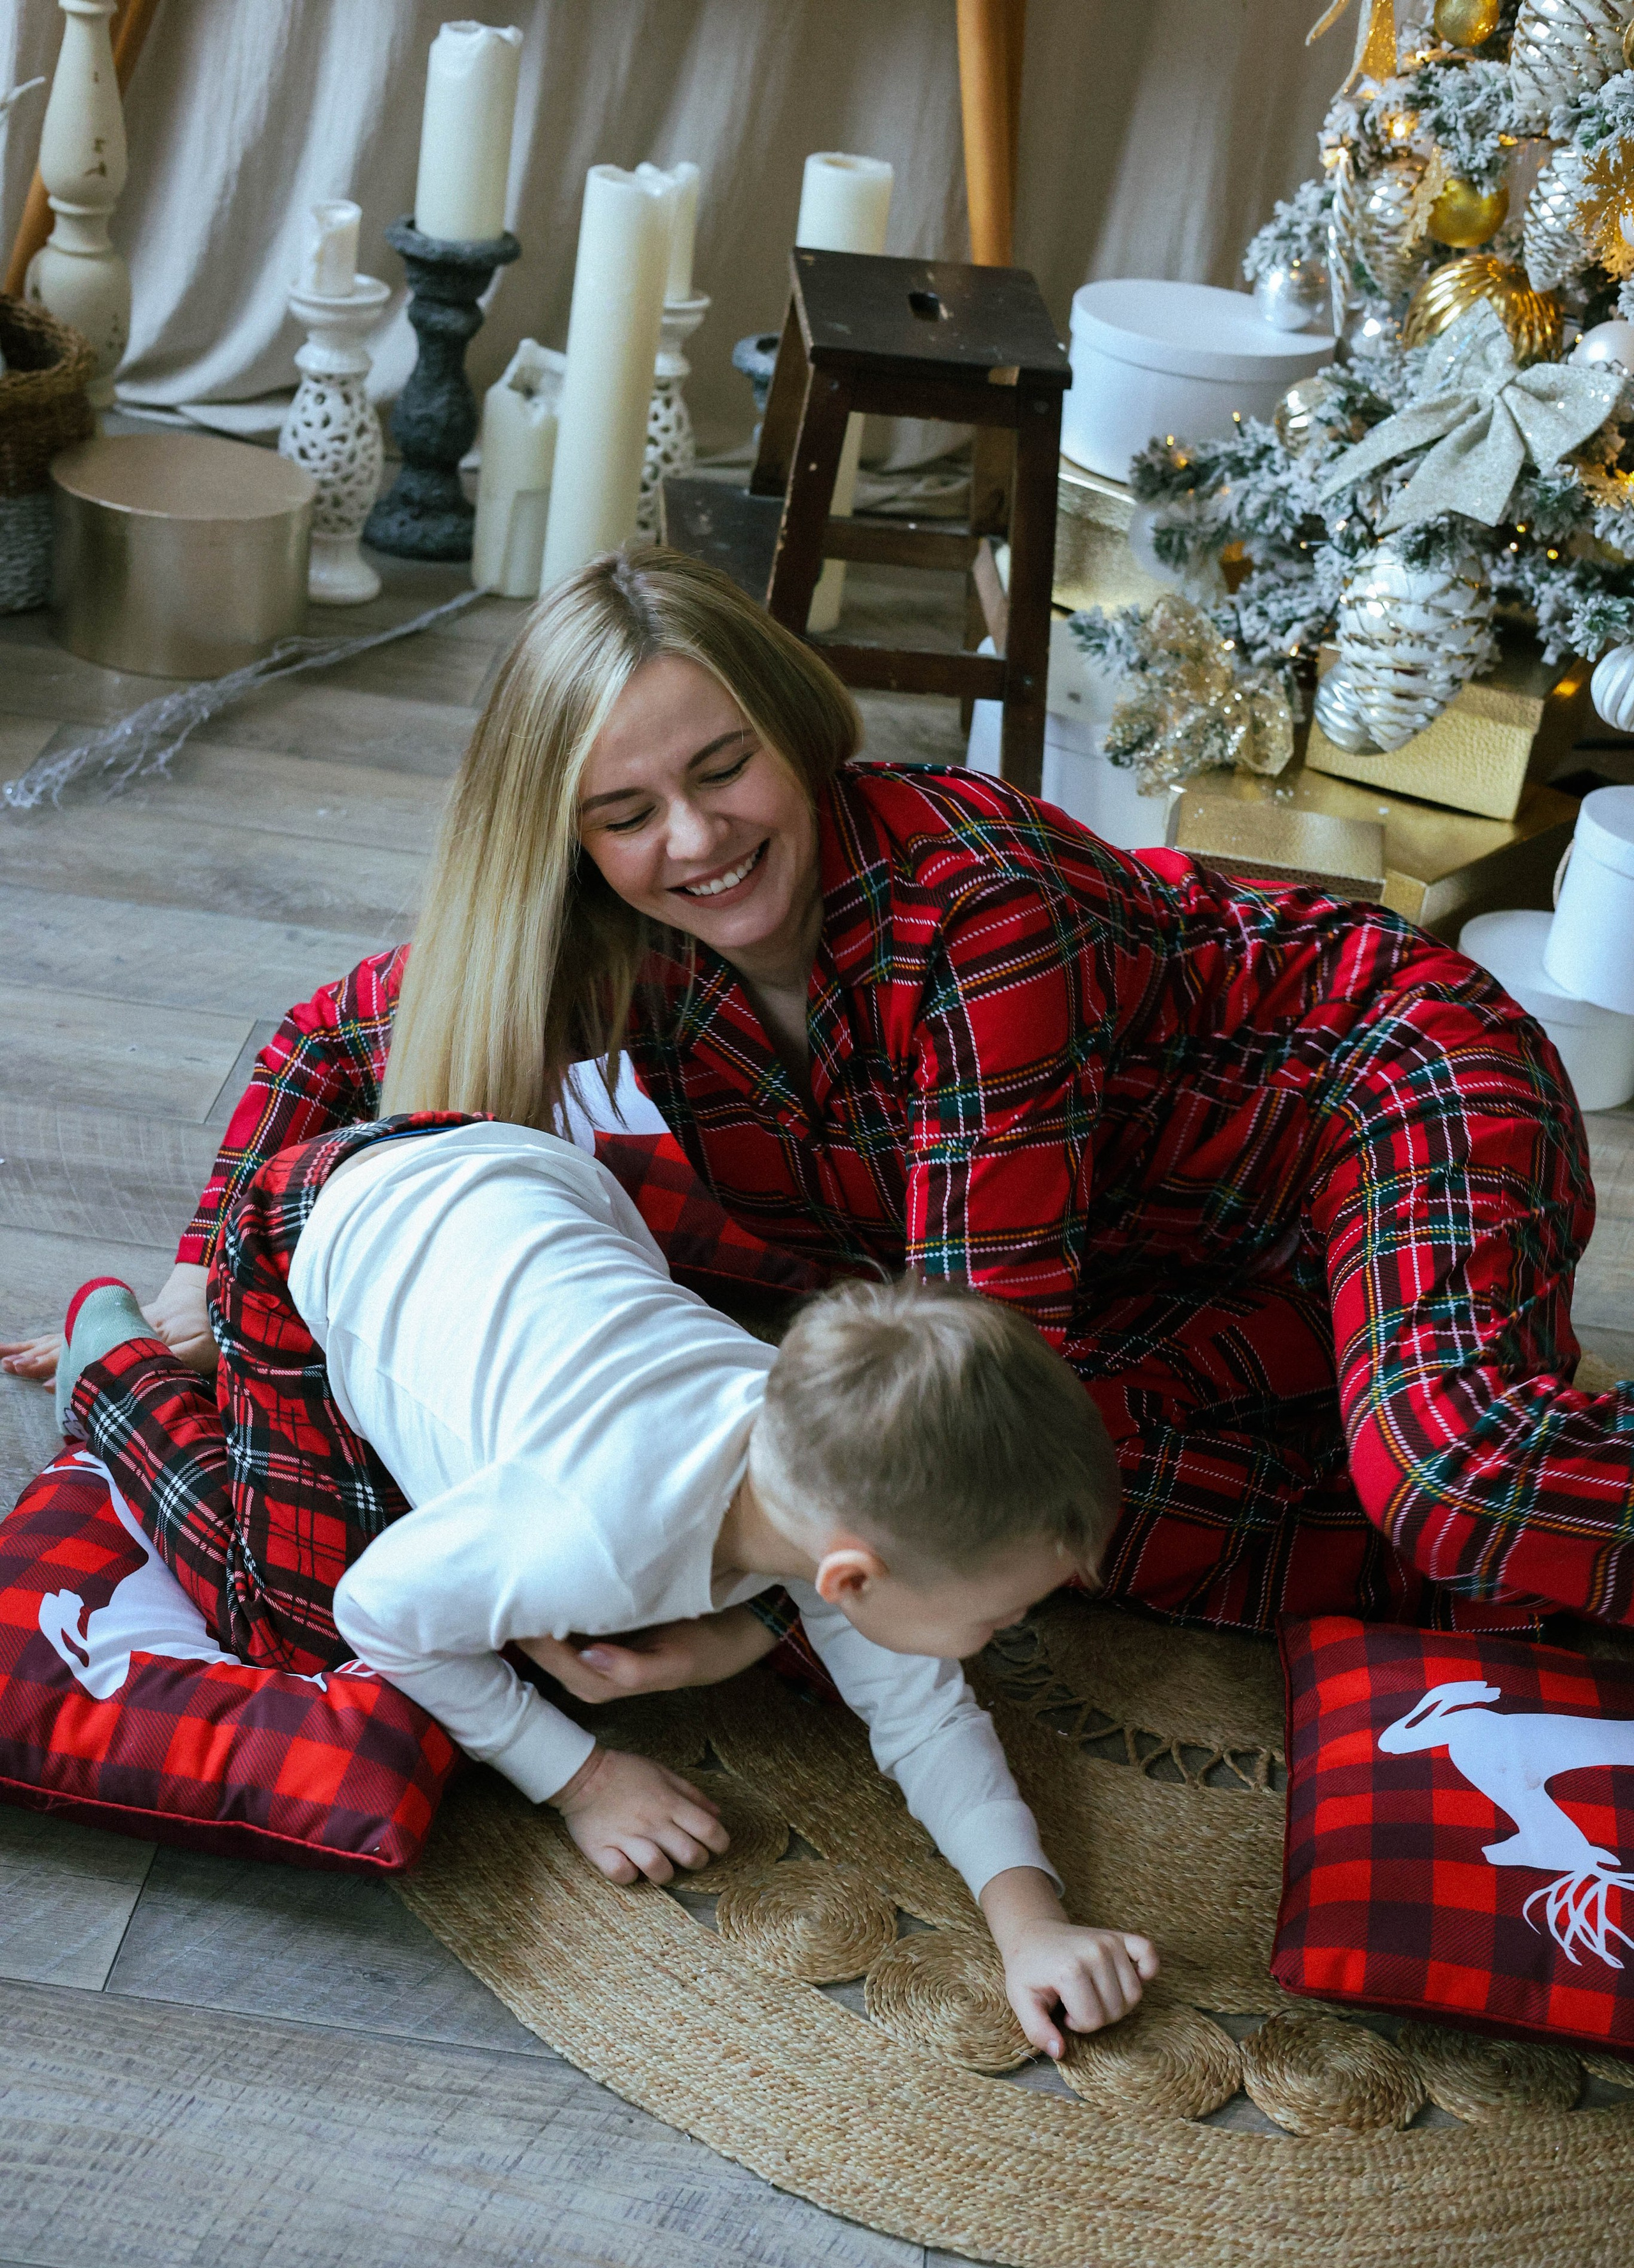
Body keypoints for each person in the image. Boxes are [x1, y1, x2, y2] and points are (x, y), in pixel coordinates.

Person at [10, 543, 1631, 1636]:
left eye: (720, 769)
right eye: (624, 812)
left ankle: (1414, 1418)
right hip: (1134, 1245)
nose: (694, 841)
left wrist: (725, 1621)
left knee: (1448, 1482)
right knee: (1086, 1539)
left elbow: (964, 1389)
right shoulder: (613, 940)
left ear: (790, 729)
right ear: (568, 841)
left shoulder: (974, 912)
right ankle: (1333, 1410)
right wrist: (193, 1277)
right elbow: (328, 1039)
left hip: (1368, 1089)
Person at [56, 1111, 1153, 2053]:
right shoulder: (591, 1538)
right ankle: (118, 1362)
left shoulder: (828, 1446)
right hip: (322, 1228)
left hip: (527, 1179)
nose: (1016, 1629)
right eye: (1005, 1610)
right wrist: (578, 1778)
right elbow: (379, 1611)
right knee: (291, 1624)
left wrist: (1030, 1925)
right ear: (849, 1578)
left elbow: (925, 1721)